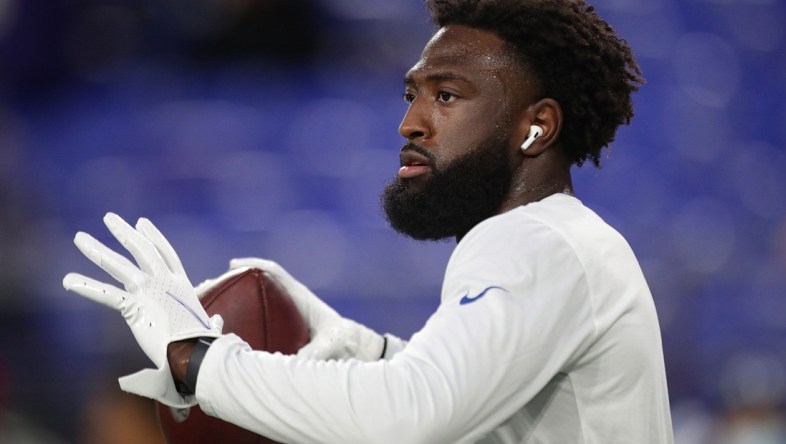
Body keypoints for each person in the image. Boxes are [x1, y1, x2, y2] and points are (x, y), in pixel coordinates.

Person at [63, 0, 674, 442]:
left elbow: (411, 417)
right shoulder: (555, 241)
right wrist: (369, 351)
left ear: (536, 126)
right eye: (412, 94)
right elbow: (475, 408)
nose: (410, 122)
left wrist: (197, 360)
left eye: (447, 95)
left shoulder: (538, 241)